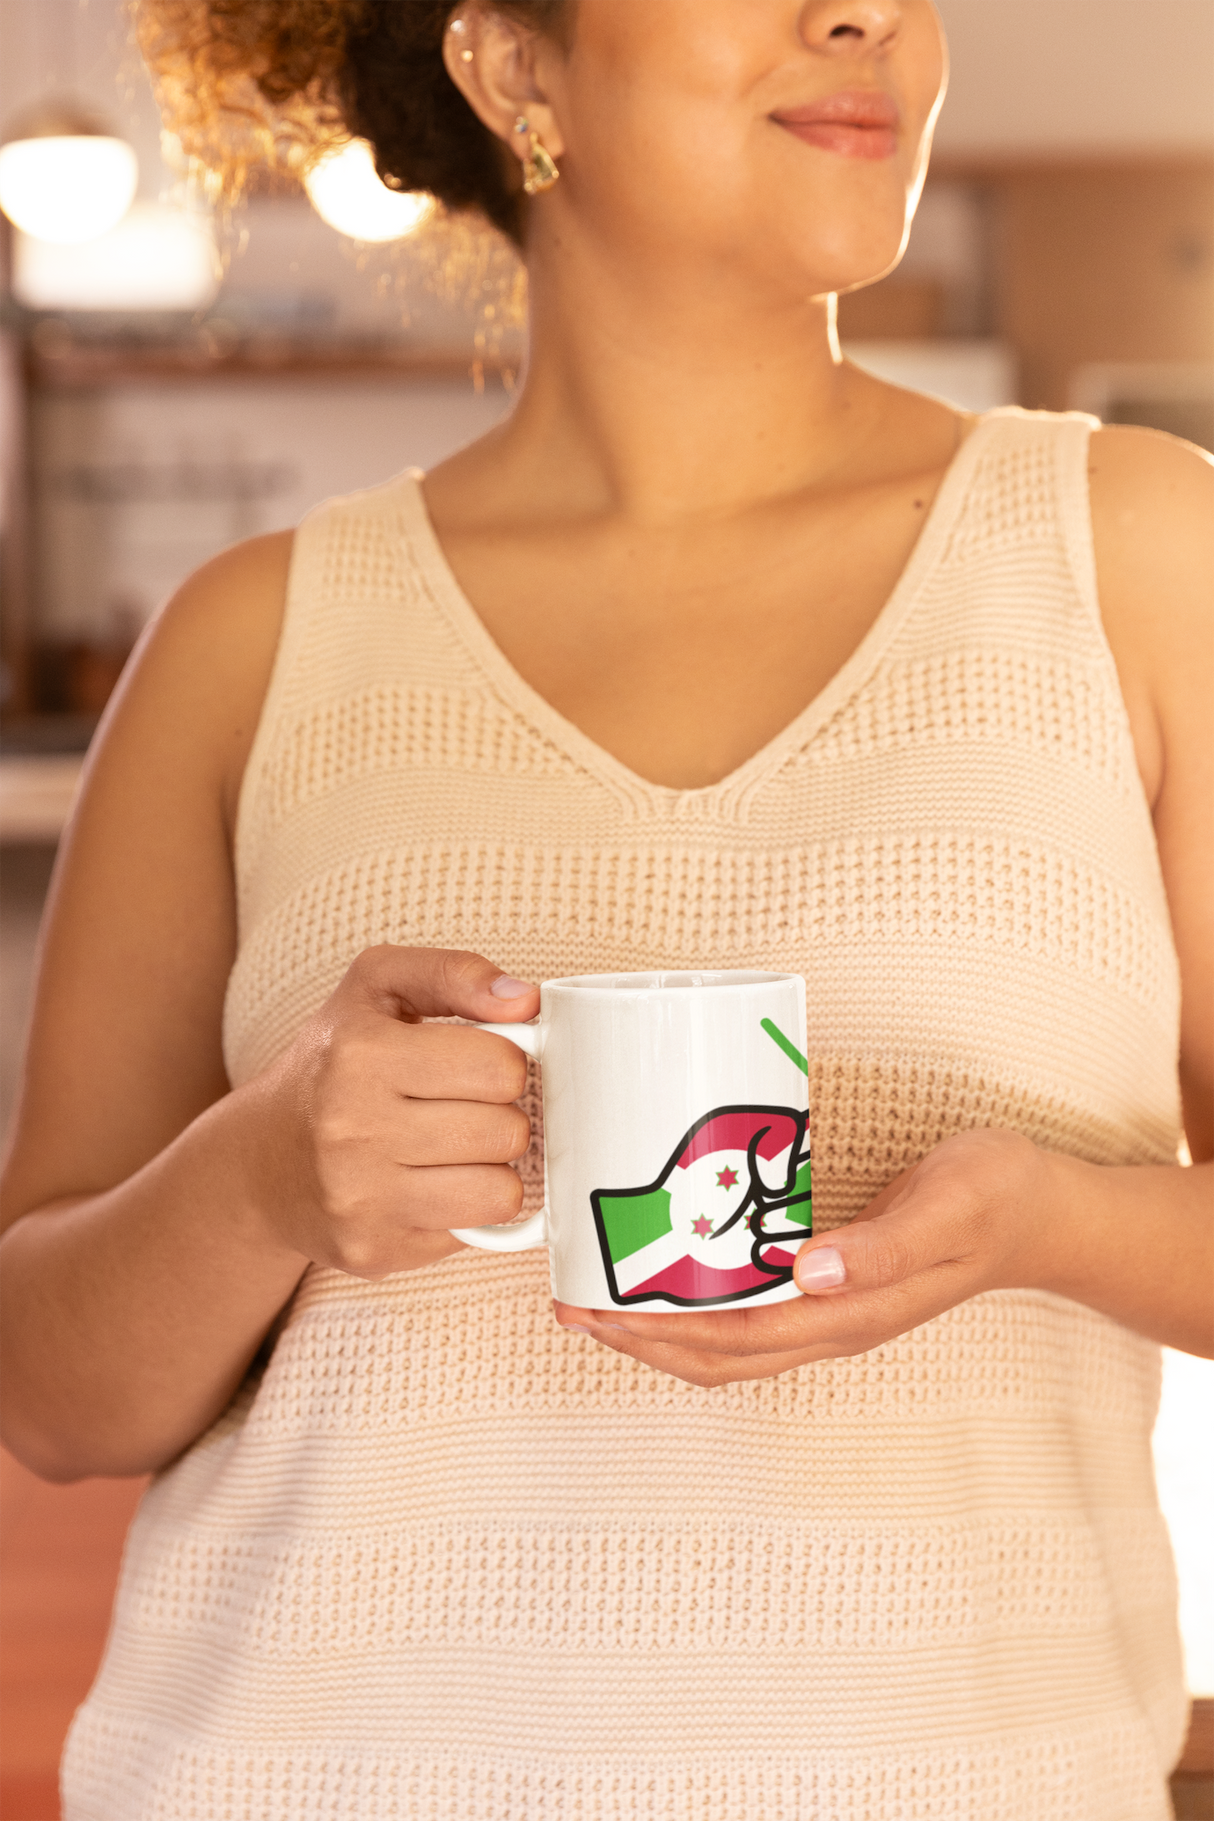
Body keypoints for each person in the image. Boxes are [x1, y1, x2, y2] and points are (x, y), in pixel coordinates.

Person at [0, 0, 1211, 1815]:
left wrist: (1047, 1227)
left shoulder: (1136, 553)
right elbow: (50, 1391)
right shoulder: (251, 640)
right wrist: (262, 1177)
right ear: (510, 68)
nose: (864, 15)